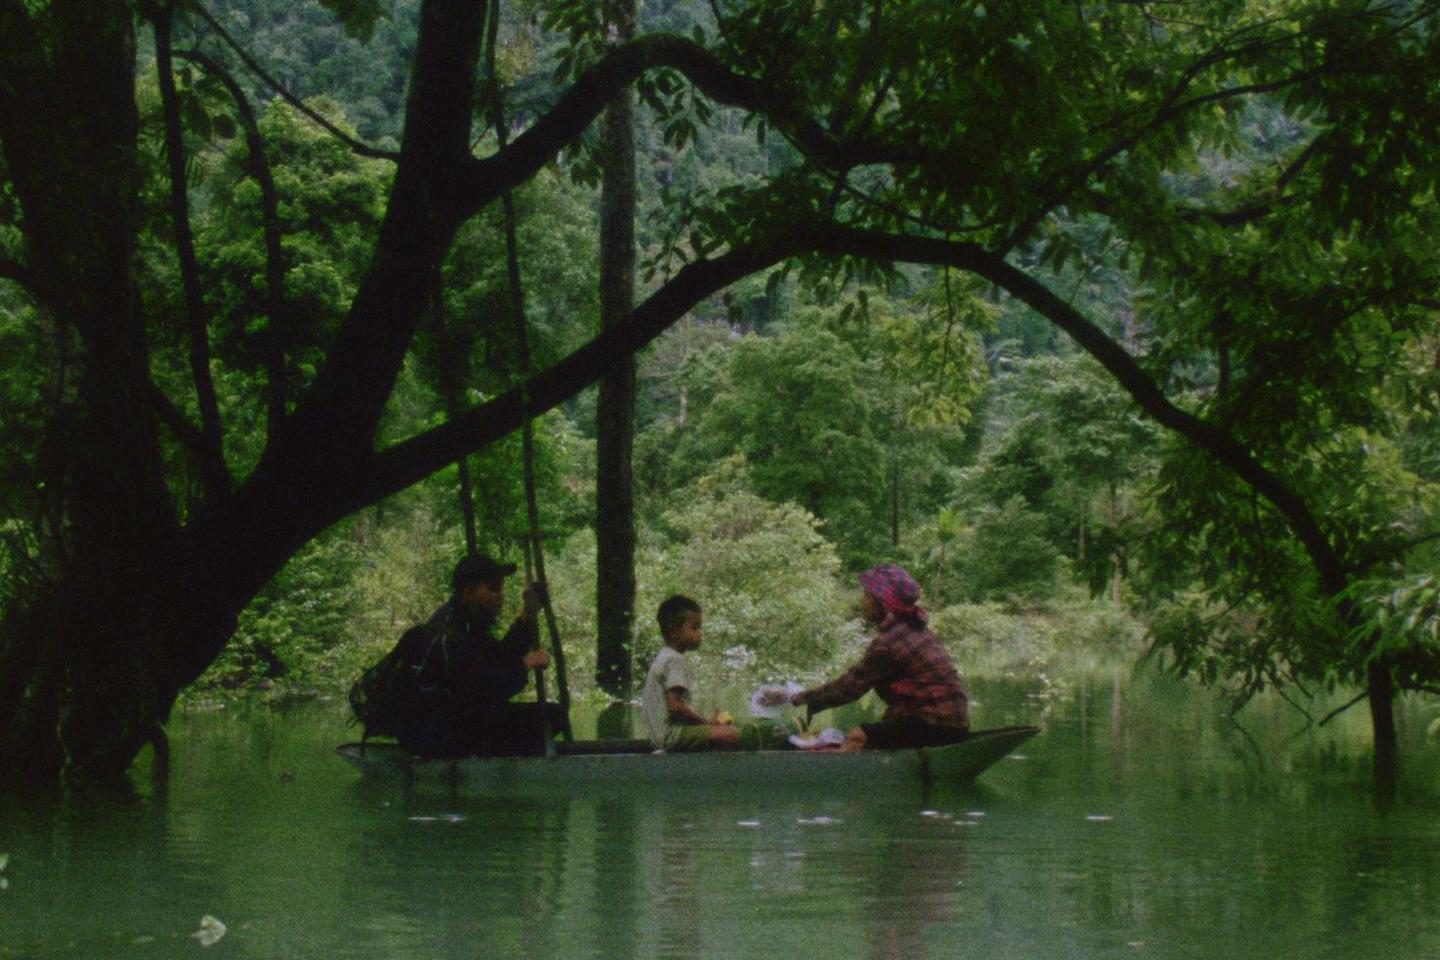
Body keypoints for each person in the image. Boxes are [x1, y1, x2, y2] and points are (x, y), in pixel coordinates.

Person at [397, 552, 562, 758]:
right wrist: (526, 663)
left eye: (501, 587)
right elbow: (488, 688)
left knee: (552, 715)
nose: (500, 595)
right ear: (469, 592)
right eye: (492, 588)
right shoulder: (449, 634)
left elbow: (500, 656)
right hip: (434, 734)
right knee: (545, 719)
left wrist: (527, 614)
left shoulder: (468, 622)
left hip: (455, 721)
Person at [790, 564, 968, 752]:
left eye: (867, 596)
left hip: (934, 725)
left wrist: (802, 698)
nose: (863, 602)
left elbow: (850, 688)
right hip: (955, 725)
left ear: (882, 602)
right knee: (871, 733)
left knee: (858, 736)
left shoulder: (888, 643)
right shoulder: (917, 629)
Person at [641, 595, 743, 751]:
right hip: (671, 736)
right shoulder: (675, 661)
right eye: (695, 627)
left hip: (659, 737)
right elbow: (675, 707)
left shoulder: (665, 656)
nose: (700, 633)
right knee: (732, 734)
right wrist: (707, 724)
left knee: (721, 732)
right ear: (674, 631)